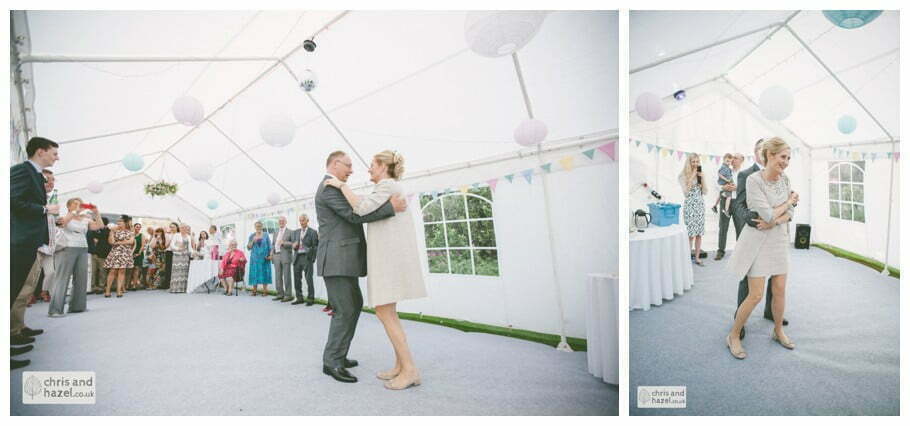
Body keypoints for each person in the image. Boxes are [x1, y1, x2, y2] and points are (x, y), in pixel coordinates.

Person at [325, 149, 426, 390]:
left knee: (384, 313)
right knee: (389, 313)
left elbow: (360, 208)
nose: (367, 168)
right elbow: (367, 205)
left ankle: (410, 370)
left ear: (382, 166)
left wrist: (340, 185)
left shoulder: (386, 187)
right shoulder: (389, 188)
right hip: (390, 258)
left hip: (388, 261)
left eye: (371, 164)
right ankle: (401, 365)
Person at [726, 137, 798, 359]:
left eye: (788, 158)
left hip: (778, 240)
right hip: (757, 242)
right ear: (770, 155)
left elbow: (788, 215)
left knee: (779, 290)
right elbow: (766, 213)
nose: (786, 162)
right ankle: (734, 335)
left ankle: (778, 331)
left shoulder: (785, 179)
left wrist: (776, 218)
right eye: (783, 157)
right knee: (755, 295)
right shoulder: (752, 180)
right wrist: (789, 203)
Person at [10, 136, 59, 370]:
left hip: (29, 242)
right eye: (54, 153)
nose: (56, 157)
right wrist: (44, 208)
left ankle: (10, 338)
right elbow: (12, 201)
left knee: (15, 293)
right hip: (19, 241)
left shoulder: (35, 174)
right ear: (41, 151)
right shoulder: (22, 171)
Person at [49, 197, 105, 315]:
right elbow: (63, 223)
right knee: (62, 278)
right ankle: (55, 309)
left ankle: (77, 306)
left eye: (80, 204)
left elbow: (99, 226)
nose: (78, 205)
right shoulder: (64, 216)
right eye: (75, 204)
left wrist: (96, 212)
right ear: (69, 206)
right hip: (67, 248)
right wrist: (74, 212)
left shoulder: (85, 219)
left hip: (82, 248)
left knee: (81, 278)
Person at [679, 153, 707, 266]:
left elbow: (705, 191)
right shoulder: (682, 176)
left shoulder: (700, 175)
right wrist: (692, 176)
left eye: (697, 162)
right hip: (690, 205)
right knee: (690, 234)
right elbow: (686, 192)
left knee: (699, 234)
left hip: (700, 205)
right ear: (689, 162)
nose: (695, 164)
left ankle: (697, 258)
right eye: (693, 162)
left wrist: (702, 178)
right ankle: (687, 257)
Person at [716, 153, 743, 260]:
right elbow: (717, 184)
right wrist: (724, 187)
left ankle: (740, 252)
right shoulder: (726, 170)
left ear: (741, 161)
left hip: (737, 202)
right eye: (732, 158)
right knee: (723, 227)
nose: (733, 160)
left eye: (736, 158)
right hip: (724, 200)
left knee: (739, 227)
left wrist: (737, 188)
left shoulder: (744, 174)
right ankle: (720, 251)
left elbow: (747, 189)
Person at [104, 215, 135, 298]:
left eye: (121, 221)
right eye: (118, 221)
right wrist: (111, 232)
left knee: (122, 271)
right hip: (116, 252)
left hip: (125, 253)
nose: (118, 222)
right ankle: (107, 291)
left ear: (125, 222)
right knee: (112, 271)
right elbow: (111, 242)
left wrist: (119, 242)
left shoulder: (131, 231)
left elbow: (131, 241)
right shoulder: (114, 230)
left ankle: (119, 290)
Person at [291, 214, 319, 306]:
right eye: (300, 220)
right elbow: (293, 244)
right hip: (297, 257)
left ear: (307, 220)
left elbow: (316, 247)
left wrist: (311, 257)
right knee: (297, 279)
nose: (301, 222)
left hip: (307, 258)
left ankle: (310, 299)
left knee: (308, 279)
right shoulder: (295, 232)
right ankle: (299, 298)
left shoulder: (313, 232)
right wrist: (293, 246)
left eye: (303, 220)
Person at [270, 216, 294, 302]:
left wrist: (284, 243)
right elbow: (273, 244)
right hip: (276, 255)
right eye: (280, 221)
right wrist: (271, 253)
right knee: (278, 276)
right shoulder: (275, 232)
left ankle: (288, 295)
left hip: (285, 255)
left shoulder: (290, 232)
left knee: (287, 276)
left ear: (286, 221)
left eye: (283, 221)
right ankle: (280, 294)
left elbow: (293, 244)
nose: (281, 222)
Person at [246, 221, 272, 296]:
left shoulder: (266, 235)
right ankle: (254, 291)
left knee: (265, 273)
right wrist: (252, 241)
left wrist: (270, 255)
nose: (258, 228)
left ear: (262, 227)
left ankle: (265, 291)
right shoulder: (252, 236)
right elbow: (248, 247)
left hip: (264, 257)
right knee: (255, 273)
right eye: (257, 226)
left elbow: (270, 246)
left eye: (260, 226)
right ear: (255, 227)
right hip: (255, 258)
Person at [88, 217, 112, 294]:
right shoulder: (94, 230)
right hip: (94, 253)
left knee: (102, 271)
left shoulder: (108, 231)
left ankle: (101, 287)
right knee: (93, 271)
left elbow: (101, 238)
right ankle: (93, 287)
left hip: (103, 254)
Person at [168, 224, 193, 293]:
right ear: (180, 228)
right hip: (177, 255)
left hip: (185, 256)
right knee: (177, 271)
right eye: (182, 228)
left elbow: (190, 247)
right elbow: (172, 245)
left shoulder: (188, 236)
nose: (184, 229)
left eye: (185, 228)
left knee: (184, 272)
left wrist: (193, 253)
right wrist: (178, 248)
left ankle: (183, 288)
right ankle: (175, 289)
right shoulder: (176, 235)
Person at [157, 222, 179, 289]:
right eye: (171, 227)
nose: (172, 228)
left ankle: (176, 284)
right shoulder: (168, 235)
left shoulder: (179, 235)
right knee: (168, 268)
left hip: (177, 252)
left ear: (177, 227)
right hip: (169, 252)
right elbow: (165, 246)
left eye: (173, 227)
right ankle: (167, 284)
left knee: (176, 268)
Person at [128, 222, 147, 290]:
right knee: (130, 269)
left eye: (139, 227)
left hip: (138, 254)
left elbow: (142, 245)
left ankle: (134, 285)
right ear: (134, 227)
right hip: (130, 254)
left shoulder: (142, 235)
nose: (138, 228)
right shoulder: (130, 235)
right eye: (137, 226)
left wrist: (138, 253)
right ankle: (128, 284)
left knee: (136, 269)